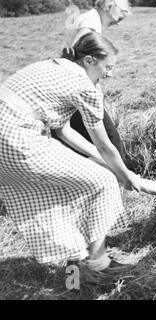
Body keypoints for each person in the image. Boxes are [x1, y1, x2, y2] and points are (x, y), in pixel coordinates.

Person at [0, 32, 142, 272]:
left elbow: (64, 132)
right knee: (104, 181)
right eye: (107, 67)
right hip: (17, 138)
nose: (110, 74)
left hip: (6, 134)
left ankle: (77, 257)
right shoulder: (84, 86)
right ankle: (97, 263)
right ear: (89, 61)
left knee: (77, 182)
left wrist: (100, 161)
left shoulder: (53, 65)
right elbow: (105, 145)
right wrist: (124, 175)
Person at [52, 0, 132, 162]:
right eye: (123, 11)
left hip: (69, 89)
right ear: (110, 6)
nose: (123, 16)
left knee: (74, 138)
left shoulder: (90, 18)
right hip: (77, 90)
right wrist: (93, 91)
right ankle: (121, 174)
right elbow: (78, 53)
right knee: (110, 139)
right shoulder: (92, 21)